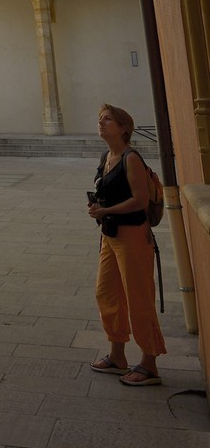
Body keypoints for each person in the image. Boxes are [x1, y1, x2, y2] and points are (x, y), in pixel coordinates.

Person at [87, 102, 165, 386]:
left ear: (123, 128)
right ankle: (117, 355)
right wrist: (97, 206)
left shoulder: (131, 158)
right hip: (110, 235)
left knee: (138, 297)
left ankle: (149, 362)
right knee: (106, 293)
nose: (101, 122)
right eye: (100, 119)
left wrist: (106, 211)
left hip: (132, 235)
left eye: (108, 119)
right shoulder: (106, 156)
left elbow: (140, 201)